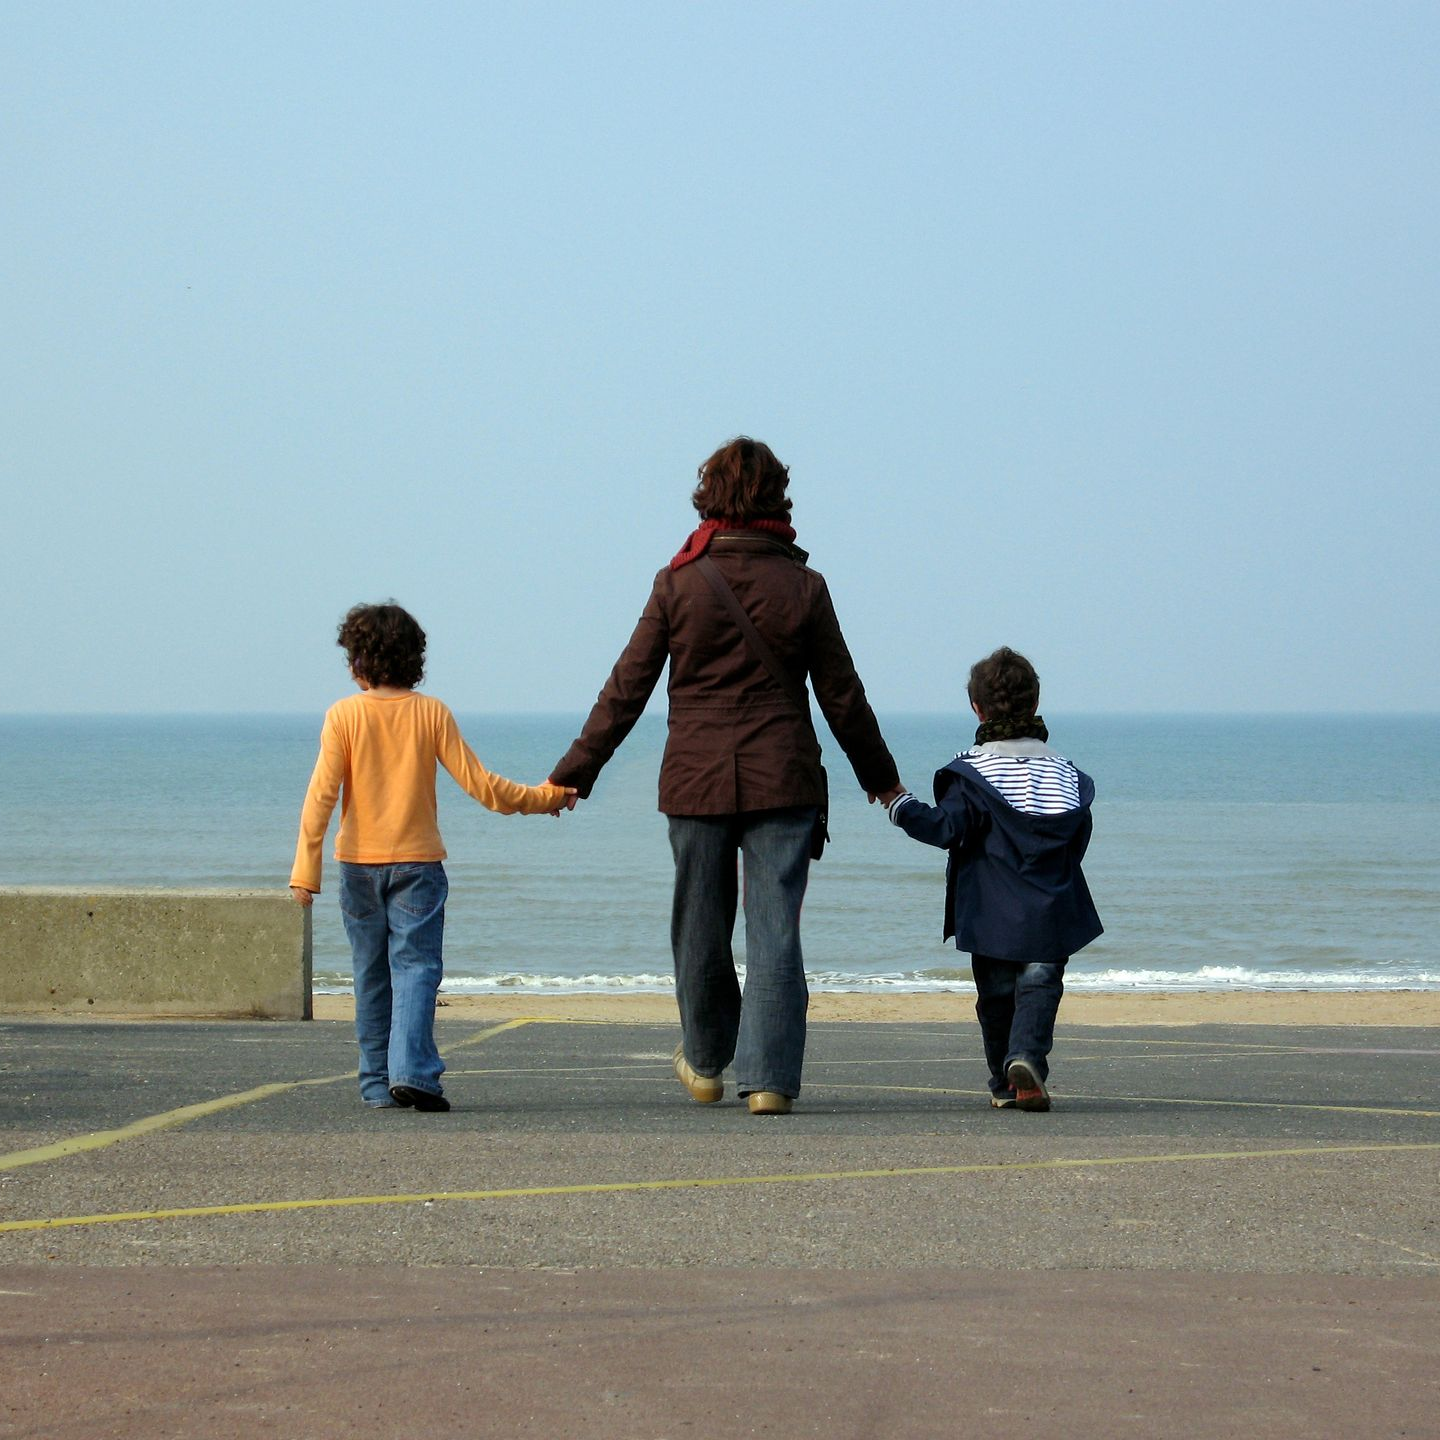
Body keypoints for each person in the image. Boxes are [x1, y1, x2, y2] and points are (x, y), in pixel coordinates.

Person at [549, 437, 899, 1115]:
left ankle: (707, 1062)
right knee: (775, 931)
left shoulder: (679, 581)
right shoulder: (804, 586)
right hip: (783, 777)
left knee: (699, 926)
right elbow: (842, 697)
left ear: (709, 496)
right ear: (777, 498)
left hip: (696, 778)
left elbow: (626, 688)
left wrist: (575, 773)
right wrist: (882, 781)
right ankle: (768, 1081)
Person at [290, 602, 573, 1111]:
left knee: (370, 975)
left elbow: (320, 798)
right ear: (413, 659)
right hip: (417, 866)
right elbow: (484, 787)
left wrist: (305, 872)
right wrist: (545, 797)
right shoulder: (430, 712)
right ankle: (413, 1073)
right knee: (416, 969)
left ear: (359, 661)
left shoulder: (344, 715)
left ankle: (377, 1084)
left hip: (356, 867)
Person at [880, 647, 1102, 1111]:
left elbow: (947, 828)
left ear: (977, 708)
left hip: (990, 910)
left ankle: (1005, 1083)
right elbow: (1078, 837)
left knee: (997, 997)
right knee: (1040, 984)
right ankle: (1026, 1061)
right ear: (1035, 703)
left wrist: (900, 805)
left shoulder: (972, 774)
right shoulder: (1066, 774)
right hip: (1050, 907)